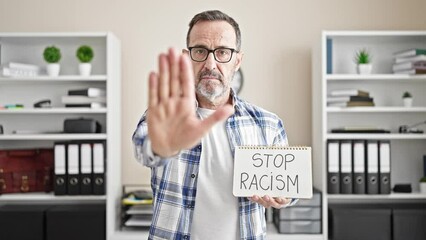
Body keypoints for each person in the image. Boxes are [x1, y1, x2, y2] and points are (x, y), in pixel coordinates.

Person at [133, 10, 297, 240]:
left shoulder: (268, 124)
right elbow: (144, 149)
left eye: (222, 52)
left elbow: (289, 187)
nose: (210, 63)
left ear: (237, 60)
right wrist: (162, 148)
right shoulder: (165, 116)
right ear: (186, 57)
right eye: (200, 51)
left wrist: (284, 196)